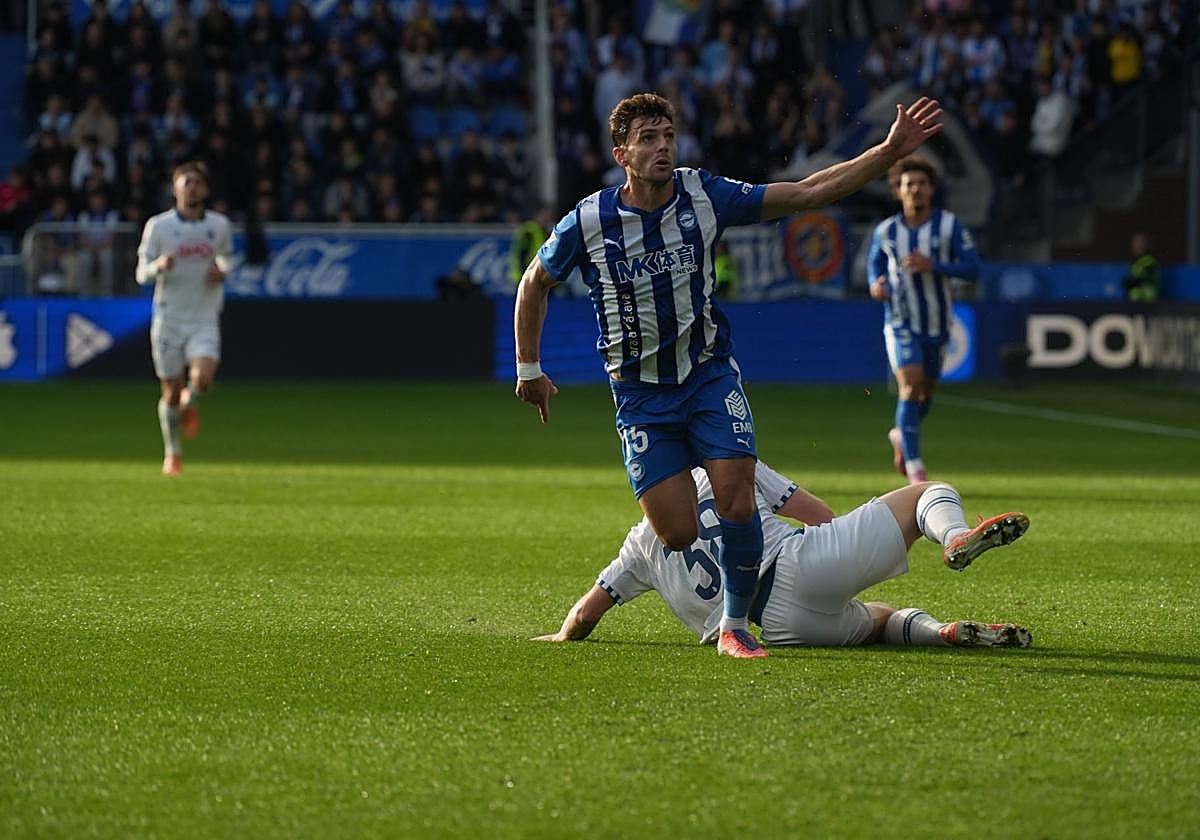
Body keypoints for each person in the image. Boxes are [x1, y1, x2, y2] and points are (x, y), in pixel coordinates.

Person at [515, 92, 943, 658]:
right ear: (622, 153)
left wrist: (888, 152)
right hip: (641, 396)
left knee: (737, 499)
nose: (662, 146)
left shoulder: (703, 194)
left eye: (667, 135)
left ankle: (734, 627)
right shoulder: (590, 220)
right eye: (647, 138)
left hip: (709, 375)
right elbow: (533, 283)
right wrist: (529, 368)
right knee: (676, 532)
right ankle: (732, 609)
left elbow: (810, 191)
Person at [534, 462, 1031, 649]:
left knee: (878, 623)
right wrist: (849, 557)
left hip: (777, 629)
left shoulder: (638, 546)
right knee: (926, 492)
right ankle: (954, 538)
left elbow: (583, 615)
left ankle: (941, 633)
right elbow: (819, 515)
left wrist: (560, 636)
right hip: (796, 566)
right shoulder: (722, 468)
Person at [868, 155, 979, 485]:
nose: (915, 189)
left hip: (938, 322)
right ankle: (916, 469)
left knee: (925, 393)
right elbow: (875, 268)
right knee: (910, 384)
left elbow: (974, 268)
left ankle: (902, 436)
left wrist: (936, 266)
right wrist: (876, 285)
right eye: (908, 184)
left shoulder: (949, 226)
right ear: (898, 191)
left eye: (922, 184)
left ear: (931, 190)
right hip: (901, 321)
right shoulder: (886, 231)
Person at [135, 161, 233, 476]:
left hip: (203, 315)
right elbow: (141, 274)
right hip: (169, 318)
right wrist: (157, 267)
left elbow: (226, 257)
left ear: (205, 189)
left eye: (196, 182)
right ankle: (173, 451)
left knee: (203, 379)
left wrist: (223, 270)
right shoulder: (159, 227)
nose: (191, 187)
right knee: (170, 392)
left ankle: (193, 403)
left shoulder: (218, 226)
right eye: (185, 182)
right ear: (175, 188)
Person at [1124, 232, 1160, 302]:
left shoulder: (1149, 260)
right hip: (1135, 300)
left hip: (1147, 300)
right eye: (1134, 244)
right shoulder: (1135, 261)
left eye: (1138, 244)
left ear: (1144, 245)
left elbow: (1146, 278)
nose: (1135, 247)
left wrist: (1132, 281)